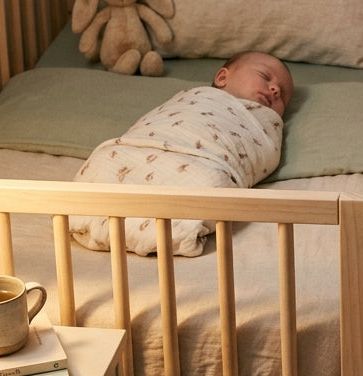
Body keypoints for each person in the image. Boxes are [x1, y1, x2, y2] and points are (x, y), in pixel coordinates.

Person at [70, 50, 296, 257]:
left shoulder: (264, 124)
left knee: (213, 181)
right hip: (143, 145)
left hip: (208, 161)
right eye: (264, 77)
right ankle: (99, 215)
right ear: (222, 78)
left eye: (282, 95)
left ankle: (163, 229)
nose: (275, 89)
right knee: (108, 160)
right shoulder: (194, 97)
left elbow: (262, 157)